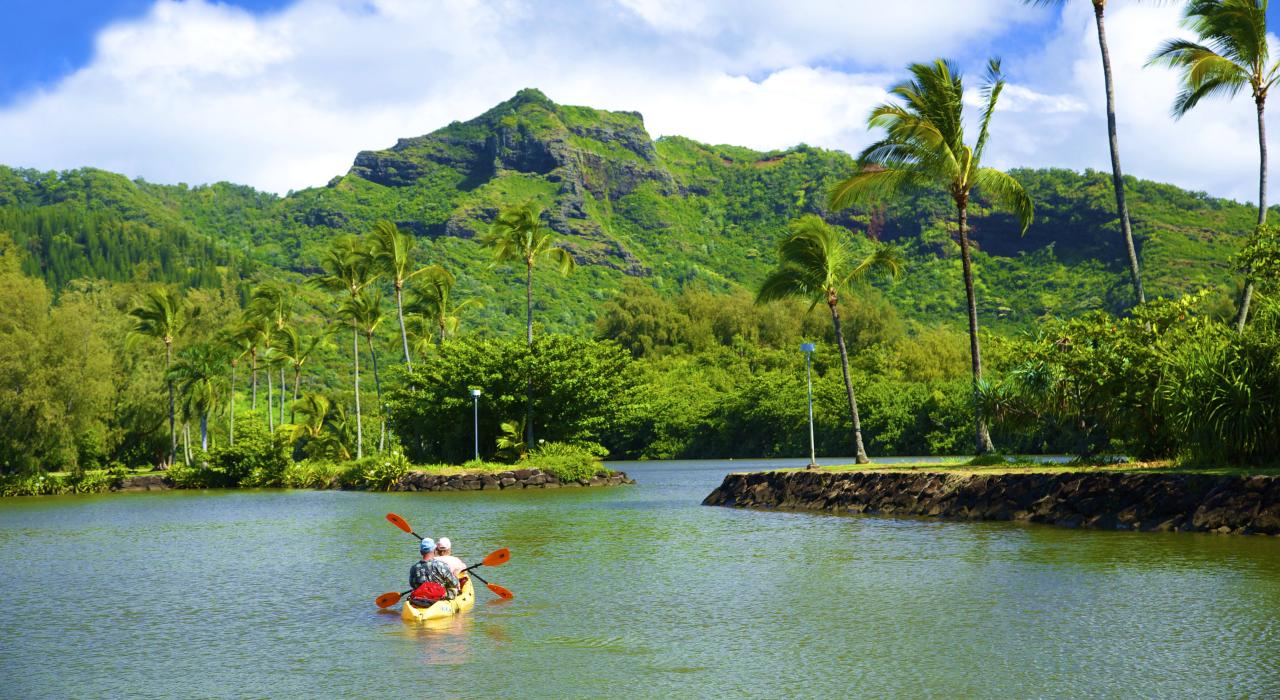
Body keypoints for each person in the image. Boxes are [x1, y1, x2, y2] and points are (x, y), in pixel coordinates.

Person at [408, 537, 459, 607]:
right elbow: (454, 583)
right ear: (435, 550)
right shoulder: (441, 565)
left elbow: (413, 585)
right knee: (454, 590)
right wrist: (455, 575)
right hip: (439, 598)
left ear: (421, 552)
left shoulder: (414, 568)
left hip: (420, 598)